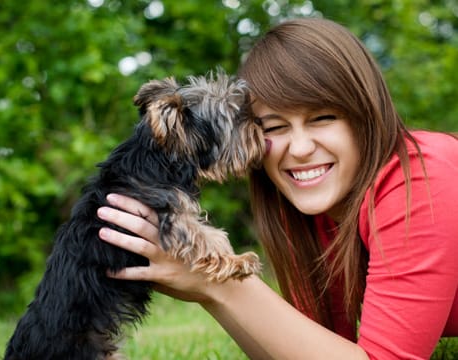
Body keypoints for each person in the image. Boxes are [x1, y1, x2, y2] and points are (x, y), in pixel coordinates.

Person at [96, 17, 458, 359]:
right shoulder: (305, 206)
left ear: (366, 113)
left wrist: (220, 281)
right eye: (274, 127)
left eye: (322, 118)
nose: (298, 149)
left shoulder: (420, 179)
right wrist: (212, 294)